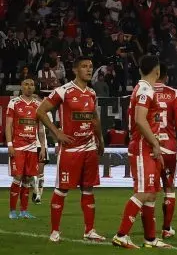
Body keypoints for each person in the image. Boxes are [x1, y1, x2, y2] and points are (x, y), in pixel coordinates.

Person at [36, 57, 106, 244]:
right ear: (75, 70)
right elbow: (41, 111)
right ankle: (55, 232)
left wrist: (100, 139)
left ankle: (90, 230)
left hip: (90, 146)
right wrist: (57, 132)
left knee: (88, 189)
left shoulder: (91, 93)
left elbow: (94, 119)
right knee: (62, 189)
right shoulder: (64, 91)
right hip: (70, 149)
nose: (89, 70)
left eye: (91, 66)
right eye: (84, 66)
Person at [112, 55, 173, 249]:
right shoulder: (145, 89)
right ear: (157, 71)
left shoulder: (145, 88)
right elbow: (140, 119)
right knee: (143, 192)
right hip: (142, 146)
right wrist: (155, 143)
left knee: (152, 193)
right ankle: (121, 235)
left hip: (148, 146)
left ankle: (150, 239)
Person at [154, 72, 177, 237]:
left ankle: (149, 229)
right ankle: (166, 229)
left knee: (147, 190)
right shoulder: (173, 93)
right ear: (166, 76)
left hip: (150, 147)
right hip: (168, 147)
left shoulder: (143, 91)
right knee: (169, 187)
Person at [6, 77, 43, 219]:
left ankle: (24, 210)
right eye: (26, 84)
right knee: (18, 177)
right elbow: (8, 125)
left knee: (28, 178)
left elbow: (40, 129)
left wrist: (43, 147)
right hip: (18, 146)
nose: (29, 87)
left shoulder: (38, 104)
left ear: (34, 88)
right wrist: (10, 144)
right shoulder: (14, 102)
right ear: (21, 86)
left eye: (32, 85)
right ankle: (12, 211)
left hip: (32, 147)